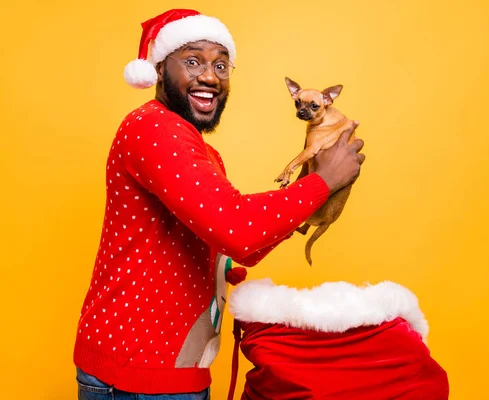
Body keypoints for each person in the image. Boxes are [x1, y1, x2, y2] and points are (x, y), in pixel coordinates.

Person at [72, 8, 365, 400]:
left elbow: (244, 247)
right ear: (159, 69)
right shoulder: (153, 127)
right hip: (138, 377)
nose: (210, 76)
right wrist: (322, 180)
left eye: (222, 66)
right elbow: (239, 230)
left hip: (178, 372)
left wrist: (321, 187)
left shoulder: (202, 151)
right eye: (193, 61)